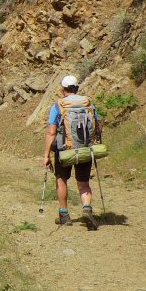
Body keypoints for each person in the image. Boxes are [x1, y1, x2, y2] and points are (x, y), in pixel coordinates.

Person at [42, 74, 102, 229]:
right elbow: (98, 126)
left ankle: (64, 214)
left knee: (62, 180)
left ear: (63, 89)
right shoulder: (88, 103)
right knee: (83, 183)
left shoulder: (59, 106)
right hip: (85, 149)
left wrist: (46, 154)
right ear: (77, 88)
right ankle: (86, 208)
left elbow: (51, 132)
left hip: (64, 151)